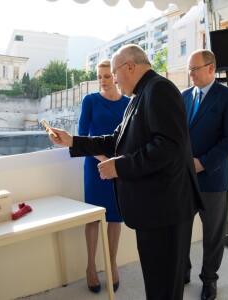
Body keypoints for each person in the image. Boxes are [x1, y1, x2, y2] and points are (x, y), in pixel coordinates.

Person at [48, 44, 203, 300]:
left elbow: (169, 146)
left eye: (115, 73)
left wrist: (119, 166)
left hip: (166, 209)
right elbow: (115, 140)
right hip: (155, 208)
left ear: (130, 67)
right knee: (157, 281)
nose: (114, 80)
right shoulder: (139, 96)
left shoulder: (159, 90)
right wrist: (73, 141)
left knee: (164, 285)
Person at [182, 49, 228, 300]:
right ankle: (181, 270)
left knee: (213, 234)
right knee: (180, 229)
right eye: (189, 68)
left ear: (210, 68)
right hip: (183, 178)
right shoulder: (183, 96)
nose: (191, 73)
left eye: (195, 68)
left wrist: (203, 164)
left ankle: (209, 280)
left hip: (212, 178)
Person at [78, 59, 130, 293]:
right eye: (99, 77)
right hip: (96, 166)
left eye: (107, 76)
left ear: (116, 76)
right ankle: (91, 267)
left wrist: (117, 163)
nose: (103, 80)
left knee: (116, 216)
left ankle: (112, 264)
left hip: (119, 166)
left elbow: (132, 137)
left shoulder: (129, 103)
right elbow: (81, 137)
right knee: (93, 216)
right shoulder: (90, 101)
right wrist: (104, 161)